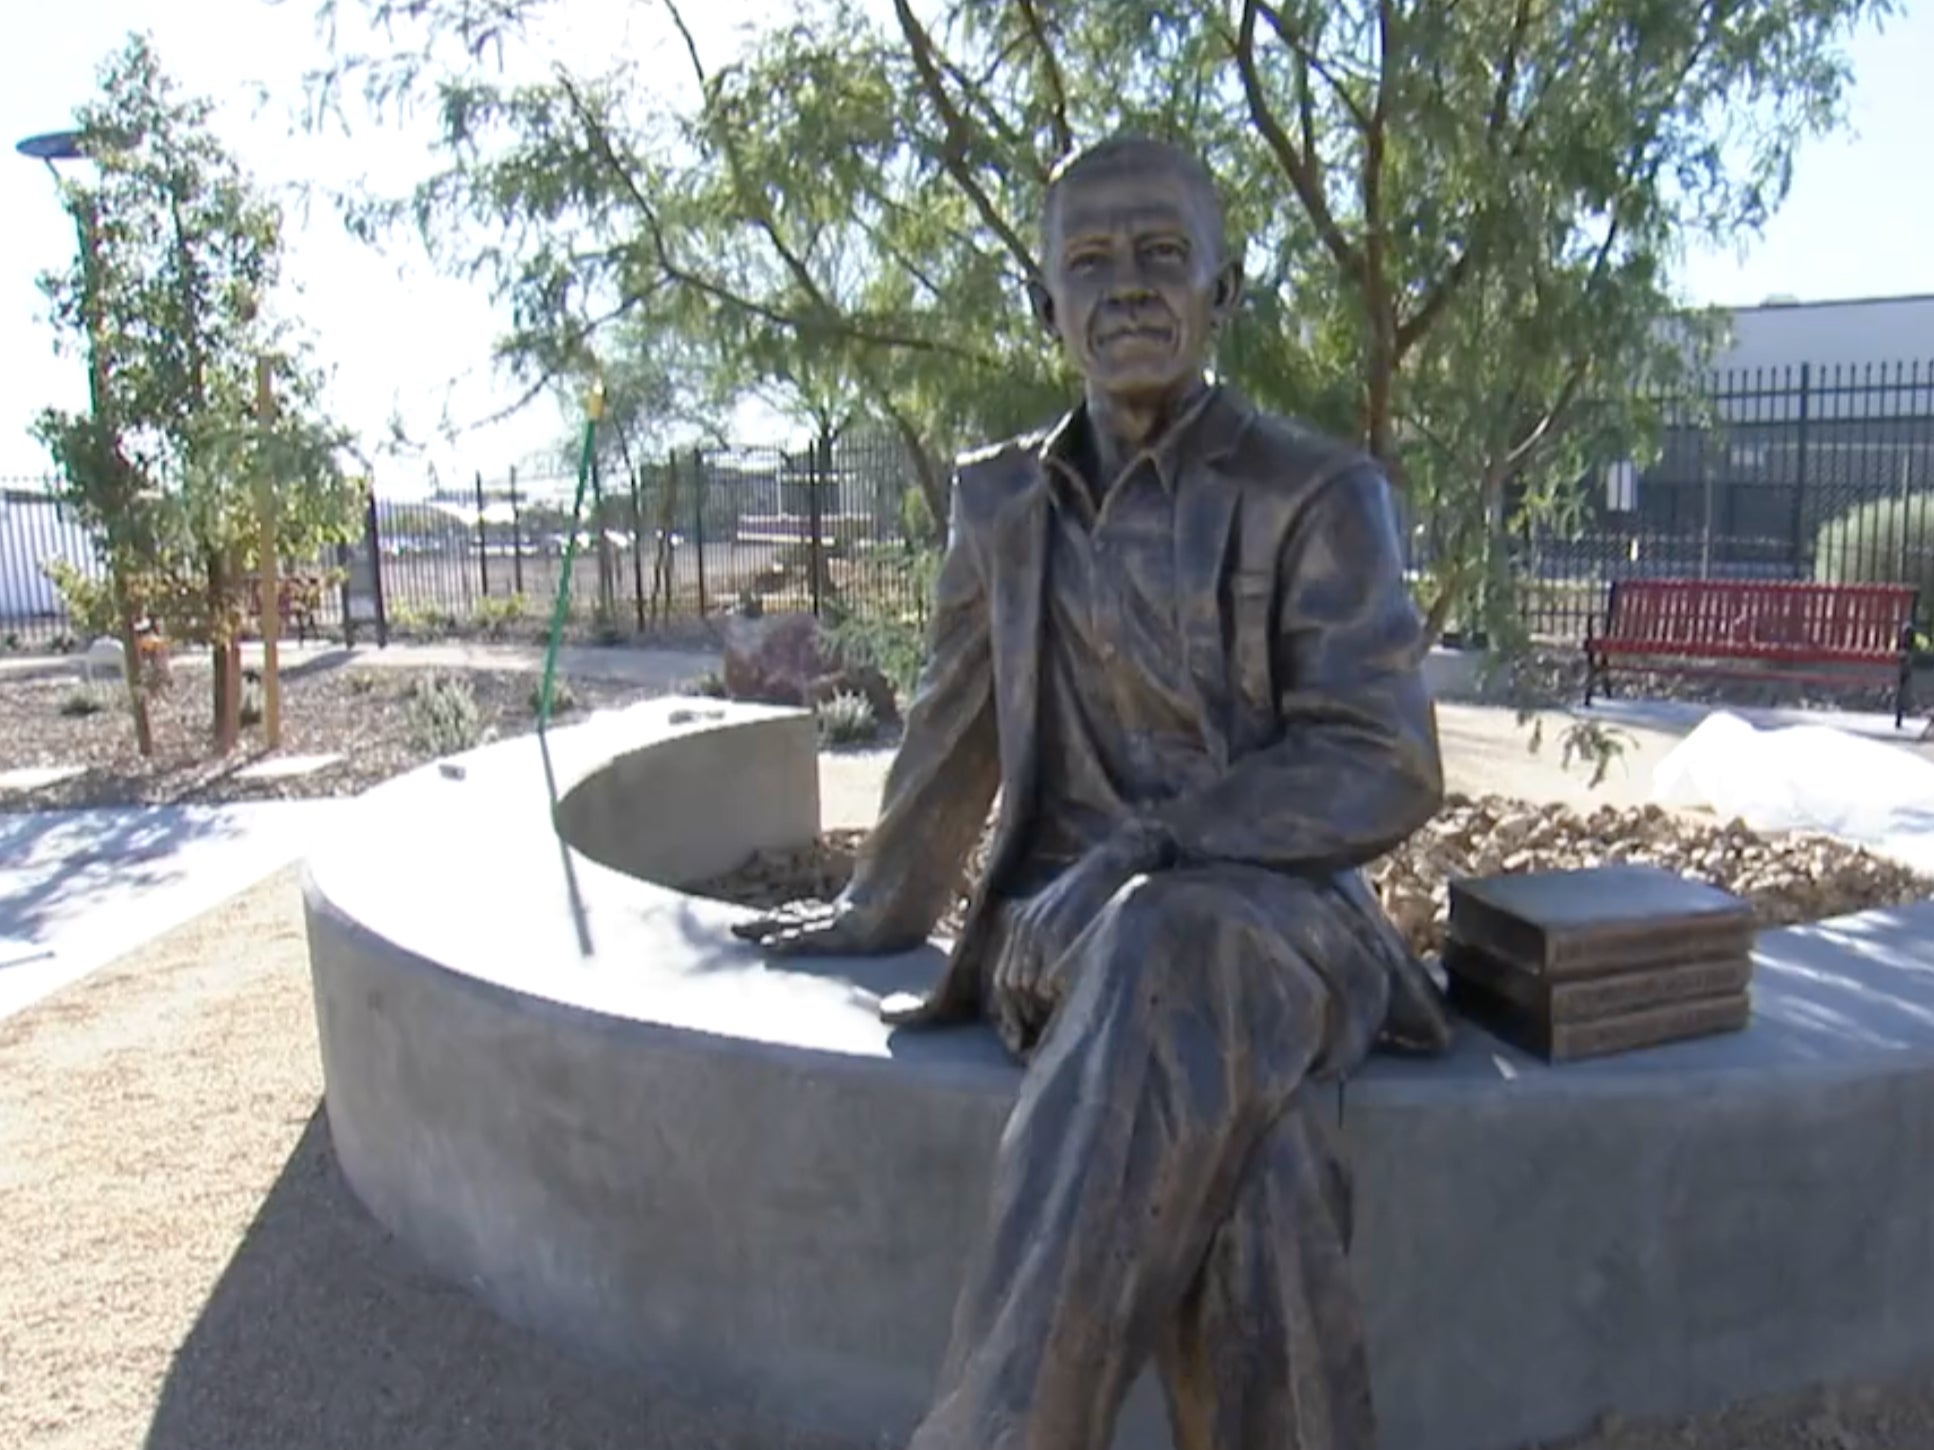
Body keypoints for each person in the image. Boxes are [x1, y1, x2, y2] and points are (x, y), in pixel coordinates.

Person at [734, 133, 1450, 1450]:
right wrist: (876, 906)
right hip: (1063, 960)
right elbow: (951, 730)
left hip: (1274, 932)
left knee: (1172, 937)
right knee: (1252, 1156)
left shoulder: (1319, 492)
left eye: (1162, 255)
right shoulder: (1000, 501)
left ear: (1223, 293)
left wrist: (1146, 851)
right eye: (1089, 262)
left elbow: (1383, 757)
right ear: (1043, 304)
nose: (1126, 288)